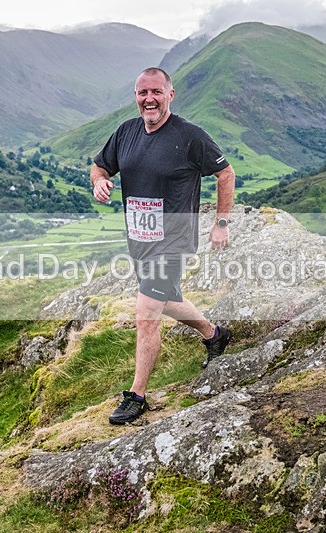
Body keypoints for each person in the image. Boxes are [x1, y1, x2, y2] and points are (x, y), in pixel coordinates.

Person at [90, 66, 236, 425]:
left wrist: (221, 222)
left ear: (170, 95)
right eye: (142, 93)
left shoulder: (189, 136)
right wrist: (99, 183)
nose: (149, 99)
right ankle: (214, 334)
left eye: (156, 92)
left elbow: (225, 173)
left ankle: (137, 395)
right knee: (166, 299)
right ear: (136, 97)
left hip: (173, 239)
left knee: (146, 312)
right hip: (139, 239)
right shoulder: (126, 132)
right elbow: (99, 167)